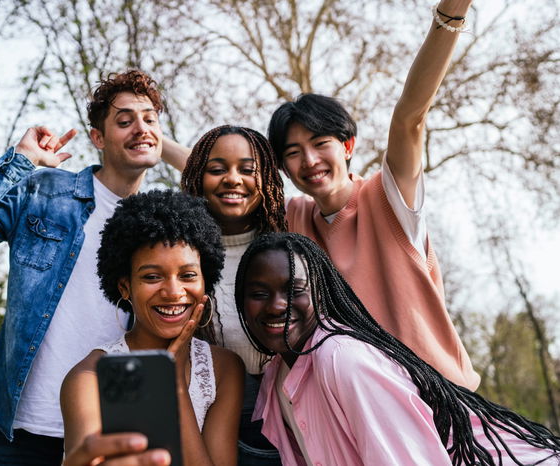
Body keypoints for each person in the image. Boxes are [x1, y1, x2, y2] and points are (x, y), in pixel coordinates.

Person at [162, 0, 480, 391]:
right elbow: (215, 172)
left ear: (347, 145)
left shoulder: (390, 198)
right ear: (281, 168)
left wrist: (450, 15)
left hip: (432, 397)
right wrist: (149, 138)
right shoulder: (295, 220)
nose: (309, 160)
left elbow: (410, 116)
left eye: (320, 143)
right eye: (293, 153)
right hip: (352, 406)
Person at [0, 69, 165, 464]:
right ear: (97, 138)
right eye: (125, 121)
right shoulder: (45, 192)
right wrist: (20, 162)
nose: (141, 128)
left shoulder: (162, 221)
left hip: (113, 429)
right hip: (18, 432)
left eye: (150, 119)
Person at [236, 232, 560, 466]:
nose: (278, 305)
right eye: (259, 293)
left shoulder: (342, 359)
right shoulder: (277, 377)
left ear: (320, 295)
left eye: (295, 290)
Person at [61, 190, 244, 466]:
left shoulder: (225, 368)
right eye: (152, 276)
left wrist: (174, 384)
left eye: (188, 275)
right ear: (125, 287)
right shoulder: (89, 377)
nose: (173, 291)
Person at [180, 125, 285, 465]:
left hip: (279, 418)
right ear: (198, 176)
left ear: (266, 176)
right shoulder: (180, 251)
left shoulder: (287, 248)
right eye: (217, 169)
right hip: (200, 414)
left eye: (247, 169)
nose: (233, 179)